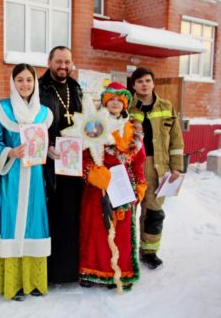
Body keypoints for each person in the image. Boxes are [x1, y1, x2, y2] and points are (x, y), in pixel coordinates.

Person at [0, 63, 53, 301]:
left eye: (29, 80)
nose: (25, 85)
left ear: (35, 83)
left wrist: (53, 152)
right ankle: (12, 284)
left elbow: (43, 144)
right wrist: (10, 153)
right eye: (20, 80)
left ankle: (32, 281)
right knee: (12, 223)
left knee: (33, 223)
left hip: (33, 179)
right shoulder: (0, 109)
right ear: (13, 82)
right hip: (10, 177)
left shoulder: (44, 113)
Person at [78, 82, 147, 290]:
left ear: (125, 104)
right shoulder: (94, 124)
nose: (116, 103)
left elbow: (139, 160)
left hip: (123, 185)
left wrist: (140, 183)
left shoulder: (132, 128)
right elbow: (82, 155)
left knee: (122, 231)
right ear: (105, 102)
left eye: (120, 100)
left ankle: (117, 271)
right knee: (95, 229)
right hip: (98, 184)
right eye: (111, 100)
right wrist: (92, 173)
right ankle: (92, 271)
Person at [128, 67, 184, 269]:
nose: (144, 84)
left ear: (153, 83)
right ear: (134, 85)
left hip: (159, 168)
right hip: (133, 167)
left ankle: (149, 252)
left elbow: (176, 139)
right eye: (140, 81)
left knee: (153, 212)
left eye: (147, 81)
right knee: (127, 213)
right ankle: (126, 251)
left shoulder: (167, 106)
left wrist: (177, 167)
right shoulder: (127, 109)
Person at [39, 46, 84, 283]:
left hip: (73, 163)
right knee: (53, 216)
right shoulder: (38, 88)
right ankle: (51, 272)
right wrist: (44, 148)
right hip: (48, 162)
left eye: (67, 61)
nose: (63, 66)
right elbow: (30, 125)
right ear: (49, 62)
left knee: (71, 215)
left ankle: (71, 270)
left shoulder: (76, 88)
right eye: (59, 61)